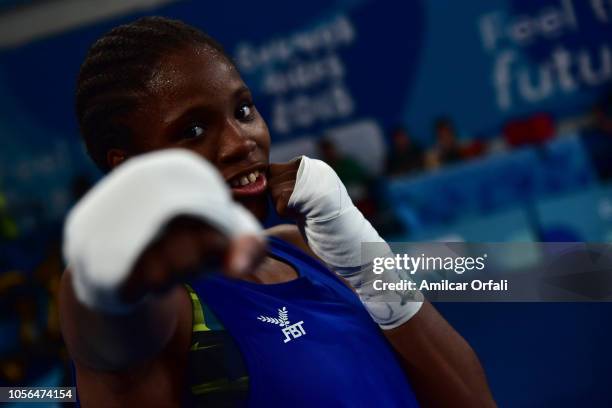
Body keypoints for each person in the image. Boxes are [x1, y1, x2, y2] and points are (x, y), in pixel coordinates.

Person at [59, 17, 495, 407]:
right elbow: (109, 333)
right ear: (130, 168)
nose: (240, 141)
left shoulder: (302, 249)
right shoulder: (170, 309)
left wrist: (366, 257)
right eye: (193, 130)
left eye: (243, 110)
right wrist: (110, 269)